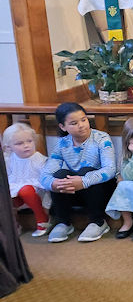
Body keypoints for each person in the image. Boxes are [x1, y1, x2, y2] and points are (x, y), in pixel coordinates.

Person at [39, 103, 117, 243]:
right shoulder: (62, 144)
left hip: (100, 191)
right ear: (63, 127)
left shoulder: (101, 138)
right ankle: (63, 222)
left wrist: (83, 181)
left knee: (86, 171)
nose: (81, 125)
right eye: (74, 123)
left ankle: (98, 222)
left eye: (84, 119)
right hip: (74, 190)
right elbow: (45, 174)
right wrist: (53, 183)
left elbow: (110, 170)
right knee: (59, 175)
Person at [3, 123, 51, 237]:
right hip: (15, 189)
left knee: (26, 190)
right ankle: (13, 224)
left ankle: (42, 219)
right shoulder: (8, 159)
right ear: (9, 147)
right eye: (19, 143)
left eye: (29, 141)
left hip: (36, 191)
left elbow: (45, 180)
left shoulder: (39, 159)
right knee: (5, 194)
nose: (26, 145)